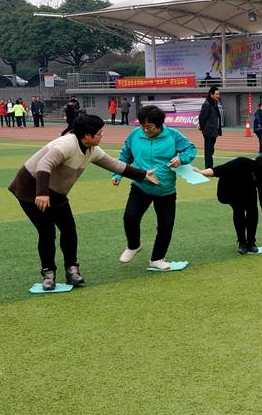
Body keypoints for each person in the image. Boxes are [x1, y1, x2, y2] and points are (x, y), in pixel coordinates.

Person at [9, 114, 158, 290]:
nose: (102, 136)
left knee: (69, 230)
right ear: (87, 135)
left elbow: (114, 165)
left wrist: (143, 174)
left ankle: (72, 269)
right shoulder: (66, 145)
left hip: (56, 193)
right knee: (47, 232)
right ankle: (48, 274)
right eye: (99, 133)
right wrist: (41, 193)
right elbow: (44, 164)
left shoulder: (92, 149)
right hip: (31, 189)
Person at [113, 105, 197, 270]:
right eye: (143, 126)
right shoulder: (135, 134)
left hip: (165, 189)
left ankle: (157, 259)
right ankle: (133, 246)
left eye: (150, 127)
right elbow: (125, 155)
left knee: (166, 226)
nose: (146, 130)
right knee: (130, 217)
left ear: (160, 125)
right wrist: (117, 174)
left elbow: (190, 149)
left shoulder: (173, 135)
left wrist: (181, 159)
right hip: (141, 185)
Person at [195, 156, 262, 254]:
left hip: (247, 189)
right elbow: (218, 170)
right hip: (228, 189)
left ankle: (251, 242)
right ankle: (242, 242)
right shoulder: (241, 163)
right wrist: (201, 172)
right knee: (239, 208)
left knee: (252, 209)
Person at [198, 86, 223, 168]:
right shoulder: (207, 104)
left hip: (214, 131)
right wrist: (203, 129)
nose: (218, 96)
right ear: (211, 95)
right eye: (216, 94)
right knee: (208, 150)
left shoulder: (214, 103)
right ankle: (209, 167)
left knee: (211, 150)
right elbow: (202, 118)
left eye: (218, 94)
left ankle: (209, 166)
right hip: (208, 131)